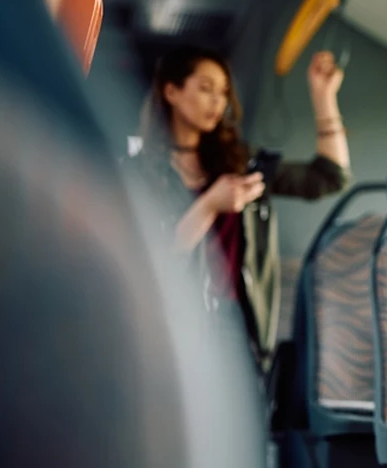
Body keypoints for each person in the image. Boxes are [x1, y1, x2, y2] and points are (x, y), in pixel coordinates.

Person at [130, 45, 351, 368]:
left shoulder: (241, 164)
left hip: (238, 327)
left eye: (223, 92)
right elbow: (151, 262)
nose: (217, 101)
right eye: (206, 88)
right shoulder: (138, 173)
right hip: (171, 325)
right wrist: (209, 205)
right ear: (171, 91)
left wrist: (324, 96)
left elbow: (330, 177)